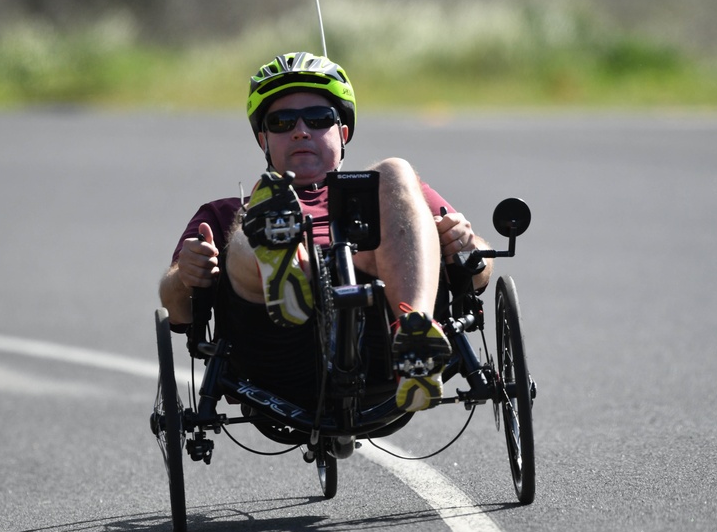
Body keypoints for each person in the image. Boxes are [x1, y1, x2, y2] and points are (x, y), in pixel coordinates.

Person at [159, 52, 490, 413]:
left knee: (394, 169)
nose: (301, 131)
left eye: (318, 119)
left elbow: (479, 276)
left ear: (342, 133)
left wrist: (465, 244)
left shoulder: (395, 195)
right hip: (272, 354)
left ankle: (415, 333)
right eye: (282, 122)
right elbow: (177, 310)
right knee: (246, 227)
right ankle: (280, 253)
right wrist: (186, 275)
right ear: (263, 140)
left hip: (381, 343)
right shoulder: (222, 212)